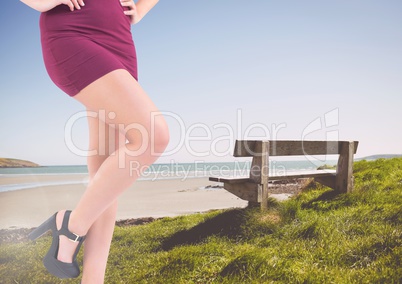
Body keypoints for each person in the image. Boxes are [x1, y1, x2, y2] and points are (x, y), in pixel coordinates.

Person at [20, 0, 169, 282]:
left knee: (105, 174)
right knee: (153, 136)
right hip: (72, 31)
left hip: (119, 39)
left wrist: (141, 9)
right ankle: (71, 226)